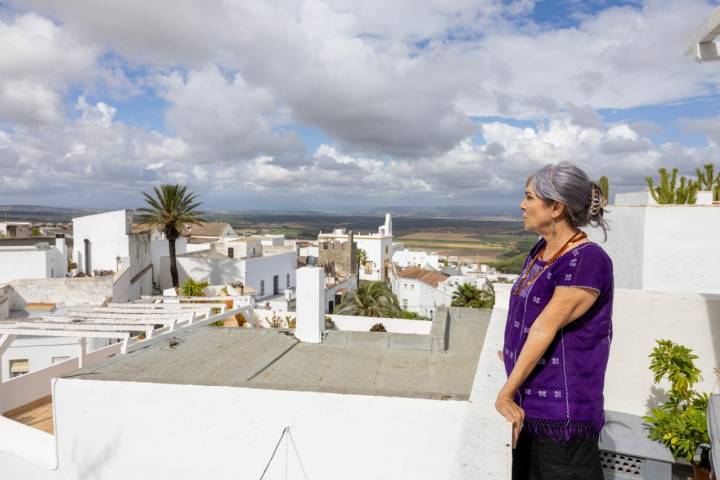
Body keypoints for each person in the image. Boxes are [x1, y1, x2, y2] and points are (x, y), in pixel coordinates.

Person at [495, 161, 613, 480]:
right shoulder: (541, 250)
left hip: (562, 419)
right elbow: (526, 314)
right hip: (530, 405)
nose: (522, 204)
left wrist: (506, 391)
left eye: (530, 197)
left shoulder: (587, 260)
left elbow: (545, 326)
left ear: (556, 207)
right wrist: (510, 352)